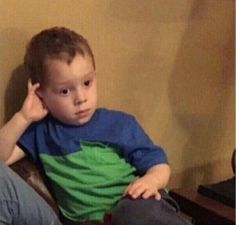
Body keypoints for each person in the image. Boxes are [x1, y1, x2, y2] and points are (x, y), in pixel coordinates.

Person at [0, 27, 191, 225]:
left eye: (87, 83)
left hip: (134, 207)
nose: (81, 98)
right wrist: (23, 117)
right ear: (40, 93)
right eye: (65, 91)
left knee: (131, 212)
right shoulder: (40, 132)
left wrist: (150, 181)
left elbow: (159, 164)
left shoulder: (119, 124)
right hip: (87, 222)